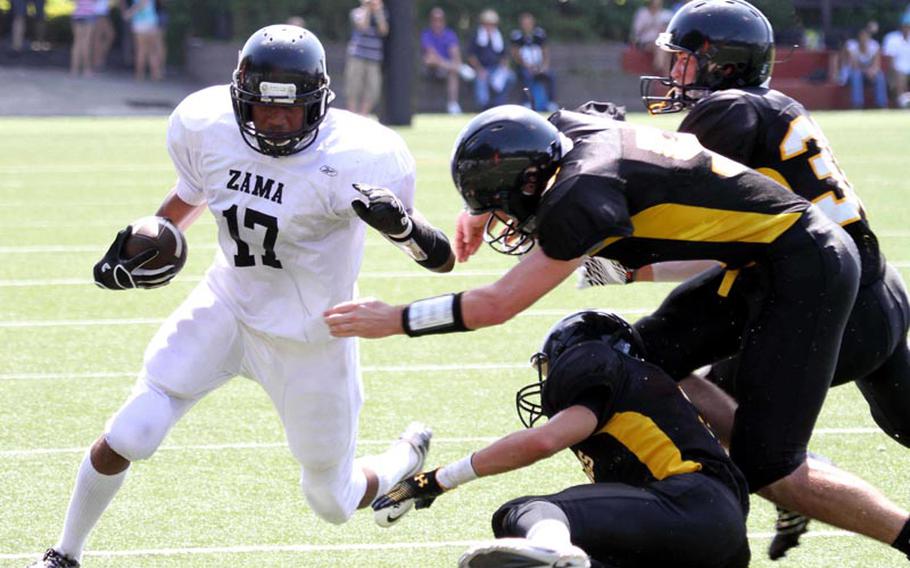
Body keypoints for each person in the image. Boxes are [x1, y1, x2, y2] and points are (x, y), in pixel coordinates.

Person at [324, 102, 910, 563]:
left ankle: (858, 509)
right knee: (638, 359)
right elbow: (537, 129)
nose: (502, 220)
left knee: (771, 466)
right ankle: (753, 466)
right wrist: (480, 203)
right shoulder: (565, 136)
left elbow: (497, 305)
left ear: (533, 183)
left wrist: (397, 319)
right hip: (758, 259)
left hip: (803, 263)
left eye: (501, 206)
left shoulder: (582, 195)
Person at [27, 24, 455, 568]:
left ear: (318, 105)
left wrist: (404, 229)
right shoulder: (207, 126)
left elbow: (440, 259)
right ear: (239, 99)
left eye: (290, 111)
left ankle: (402, 456)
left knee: (332, 501)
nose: (275, 121)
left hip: (310, 336)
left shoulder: (363, 155)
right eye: (262, 109)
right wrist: (144, 244)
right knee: (131, 431)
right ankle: (65, 554)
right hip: (226, 306)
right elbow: (190, 197)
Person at [639, 0, 910, 558]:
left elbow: (707, 234)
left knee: (741, 439)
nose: (673, 73)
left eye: (684, 61)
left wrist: (617, 261)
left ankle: (800, 489)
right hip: (879, 288)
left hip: (830, 306)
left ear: (723, 64)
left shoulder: (726, 115)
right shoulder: (773, 105)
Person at [373, 310, 751, 568]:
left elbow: (542, 441)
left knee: (523, 514)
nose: (548, 378)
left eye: (550, 367)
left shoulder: (605, 368)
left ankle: (553, 548)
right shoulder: (651, 397)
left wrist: (438, 479)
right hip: (718, 538)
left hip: (689, 502)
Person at [420, 6, 470, 115]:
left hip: (446, 68)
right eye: (435, 19)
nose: (437, 22)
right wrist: (454, 65)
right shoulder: (426, 34)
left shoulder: (449, 34)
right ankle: (461, 69)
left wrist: (453, 64)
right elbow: (432, 56)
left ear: (444, 21)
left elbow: (456, 56)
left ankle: (453, 105)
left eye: (440, 19)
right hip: (432, 68)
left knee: (453, 72)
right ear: (431, 20)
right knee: (430, 60)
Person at [344, 0, 388, 116]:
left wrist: (378, 11)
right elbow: (363, 26)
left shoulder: (382, 14)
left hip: (374, 57)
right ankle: (352, 114)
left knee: (372, 88)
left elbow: (384, 30)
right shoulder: (357, 12)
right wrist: (368, 9)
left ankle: (364, 115)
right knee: (354, 87)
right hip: (357, 56)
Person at [468, 9, 514, 110]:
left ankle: (498, 104)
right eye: (487, 23)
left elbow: (505, 55)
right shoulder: (476, 36)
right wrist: (480, 70)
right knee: (481, 80)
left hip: (496, 69)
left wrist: (503, 68)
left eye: (492, 24)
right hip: (481, 69)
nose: (490, 26)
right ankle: (483, 107)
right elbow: (471, 56)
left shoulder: (499, 36)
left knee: (510, 77)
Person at [510, 12, 556, 112]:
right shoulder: (517, 36)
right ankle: (527, 101)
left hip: (539, 66)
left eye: (529, 23)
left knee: (551, 76)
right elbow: (515, 54)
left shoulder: (539, 34)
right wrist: (527, 66)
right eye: (525, 23)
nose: (527, 25)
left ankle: (551, 102)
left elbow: (545, 52)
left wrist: (544, 66)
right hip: (524, 67)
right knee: (527, 76)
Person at [843, 25, 889, 108]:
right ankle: (857, 104)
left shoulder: (874, 46)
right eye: (862, 36)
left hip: (868, 73)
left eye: (866, 36)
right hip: (851, 74)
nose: (864, 38)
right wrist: (867, 70)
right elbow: (854, 66)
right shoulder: (851, 45)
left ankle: (881, 104)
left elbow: (876, 65)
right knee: (856, 75)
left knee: (880, 76)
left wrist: (872, 71)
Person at [120, 0, 161, 81]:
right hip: (150, 22)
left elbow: (139, 4)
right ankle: (155, 73)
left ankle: (140, 74)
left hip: (139, 22)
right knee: (151, 50)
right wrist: (129, 13)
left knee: (141, 50)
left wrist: (129, 13)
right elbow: (143, 3)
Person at [630, 0, 672, 75]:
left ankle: (662, 72)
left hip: (661, 41)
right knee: (660, 47)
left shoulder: (666, 14)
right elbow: (637, 31)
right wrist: (651, 23)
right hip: (645, 42)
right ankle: (659, 68)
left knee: (665, 48)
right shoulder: (642, 13)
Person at [883, 13, 910, 106]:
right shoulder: (891, 38)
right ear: (901, 26)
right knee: (899, 75)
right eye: (905, 26)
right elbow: (890, 61)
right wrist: (893, 73)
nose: (907, 28)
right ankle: (902, 103)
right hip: (897, 71)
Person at [69, 0, 97, 77]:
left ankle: (74, 70)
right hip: (89, 15)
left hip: (77, 14)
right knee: (86, 42)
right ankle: (87, 70)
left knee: (77, 43)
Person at [90, 0, 115, 72]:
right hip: (98, 12)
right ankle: (96, 63)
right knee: (97, 38)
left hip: (103, 12)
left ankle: (98, 59)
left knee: (110, 35)